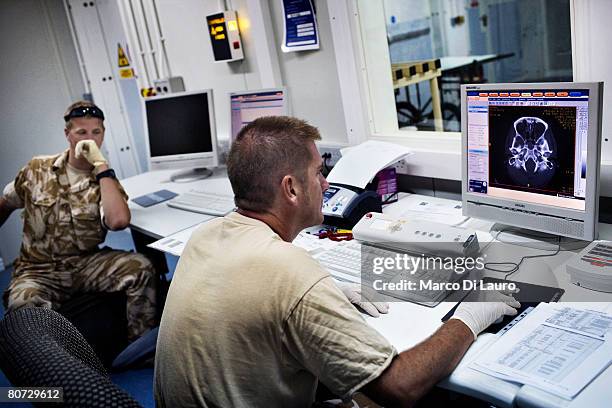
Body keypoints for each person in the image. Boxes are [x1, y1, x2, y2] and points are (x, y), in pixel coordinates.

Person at [154, 116, 520, 407]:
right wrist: (470, 316)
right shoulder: (290, 271)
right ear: (291, 188)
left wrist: (326, 294)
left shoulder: (206, 235)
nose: (327, 184)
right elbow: (400, 388)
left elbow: (248, 304)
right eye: (318, 172)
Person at [0, 100, 157, 341]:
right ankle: (58, 367)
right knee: (24, 304)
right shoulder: (36, 169)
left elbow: (118, 221)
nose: (89, 139)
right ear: (67, 134)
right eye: (81, 132)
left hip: (85, 265)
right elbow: (6, 203)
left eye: (96, 132)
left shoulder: (106, 182)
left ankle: (139, 347)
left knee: (140, 268)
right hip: (38, 269)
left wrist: (101, 166)